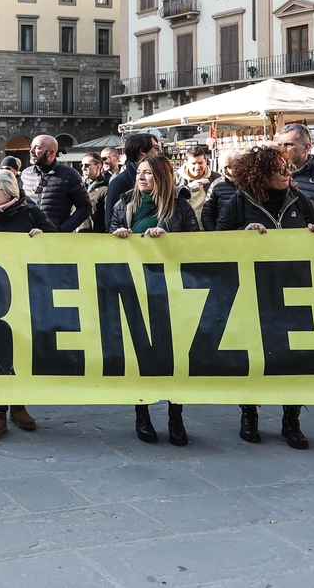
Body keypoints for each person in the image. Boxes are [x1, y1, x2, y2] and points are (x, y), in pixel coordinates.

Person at [215, 145, 314, 450]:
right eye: (280, 169)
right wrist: (242, 231)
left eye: (288, 169)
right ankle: (248, 415)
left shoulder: (300, 199)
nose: (287, 174)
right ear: (261, 173)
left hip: (294, 286)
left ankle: (291, 420)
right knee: (252, 353)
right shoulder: (239, 201)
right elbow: (217, 239)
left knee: (293, 356)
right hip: (252, 288)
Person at [110, 154, 199, 446]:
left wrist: (169, 237)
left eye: (148, 173)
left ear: (162, 176)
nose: (141, 177)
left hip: (171, 290)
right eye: (140, 173)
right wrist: (118, 235)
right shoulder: (124, 205)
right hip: (134, 287)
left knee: (177, 355)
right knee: (141, 354)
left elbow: (197, 244)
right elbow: (106, 242)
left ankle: (176, 415)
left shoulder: (180, 207)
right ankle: (142, 413)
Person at [0, 169, 55, 439]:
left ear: (9, 191)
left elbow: (60, 244)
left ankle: (19, 404)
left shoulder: (31, 213)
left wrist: (42, 236)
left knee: (22, 347)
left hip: (25, 291)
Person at [20, 135, 92, 232]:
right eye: (31, 146)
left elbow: (85, 208)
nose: (31, 151)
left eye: (37, 147)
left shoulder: (70, 175)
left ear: (51, 153)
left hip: (54, 238)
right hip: (27, 236)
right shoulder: (25, 174)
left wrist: (62, 229)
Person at [105, 133, 160, 234]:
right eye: (156, 147)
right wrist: (120, 231)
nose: (159, 151)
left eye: (147, 173)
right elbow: (111, 222)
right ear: (142, 151)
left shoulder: (164, 181)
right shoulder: (119, 182)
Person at [174, 146, 220, 229]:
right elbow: (167, 197)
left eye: (200, 163)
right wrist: (187, 188)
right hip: (184, 228)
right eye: (193, 163)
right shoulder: (175, 179)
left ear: (206, 161)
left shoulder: (216, 178)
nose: (197, 167)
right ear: (185, 163)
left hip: (211, 228)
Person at [200, 148, 245, 232]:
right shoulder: (216, 185)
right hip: (223, 234)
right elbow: (207, 214)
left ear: (240, 163)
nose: (225, 172)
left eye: (228, 167)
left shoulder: (251, 183)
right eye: (222, 168)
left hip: (248, 234)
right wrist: (215, 233)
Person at [80, 152, 110, 233]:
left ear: (98, 166)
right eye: (81, 165)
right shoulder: (78, 186)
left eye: (87, 165)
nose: (83, 168)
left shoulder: (105, 189)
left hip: (96, 236)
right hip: (76, 235)